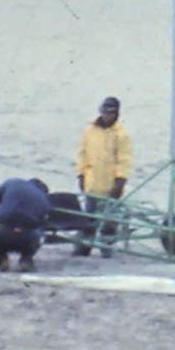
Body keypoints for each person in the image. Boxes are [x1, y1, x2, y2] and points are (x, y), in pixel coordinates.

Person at [73, 96, 132, 258]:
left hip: (110, 185)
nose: (107, 116)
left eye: (111, 113)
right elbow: (82, 155)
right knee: (89, 219)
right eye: (105, 112)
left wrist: (120, 180)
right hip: (92, 184)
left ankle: (106, 248)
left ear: (116, 114)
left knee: (110, 221)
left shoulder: (121, 135)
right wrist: (81, 175)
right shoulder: (89, 131)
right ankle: (84, 247)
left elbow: (124, 160)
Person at [0, 176, 51, 272]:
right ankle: (26, 259)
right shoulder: (44, 198)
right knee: (40, 234)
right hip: (27, 238)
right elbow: (43, 223)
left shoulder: (13, 183)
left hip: (0, 233)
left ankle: (0, 259)